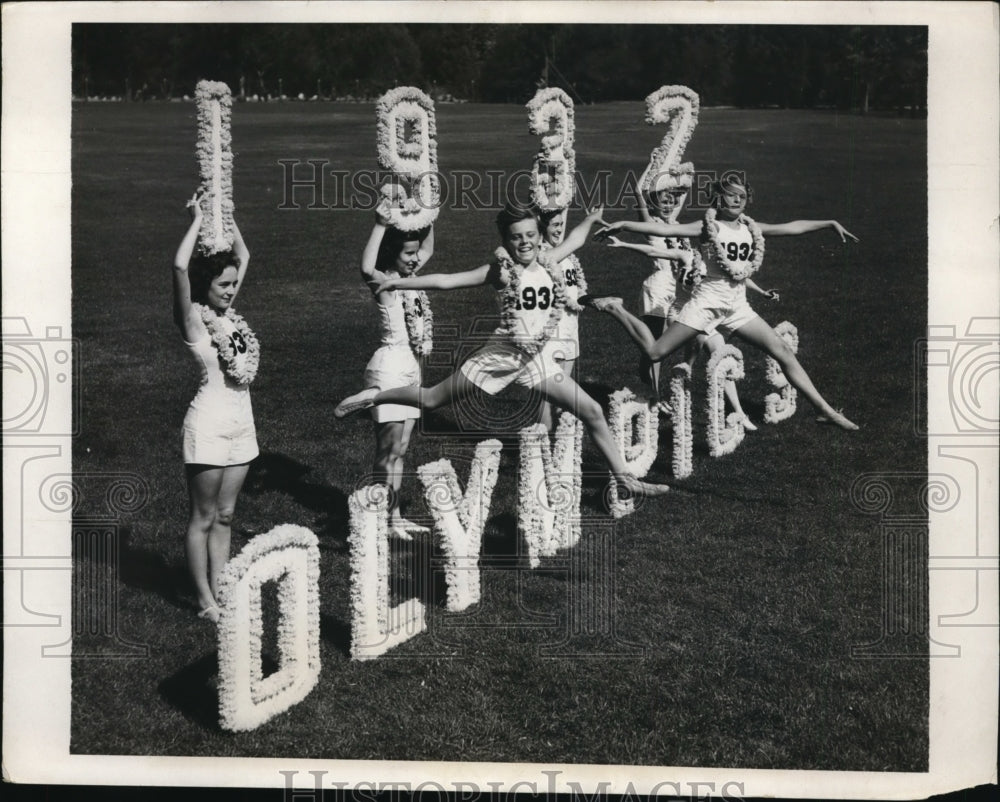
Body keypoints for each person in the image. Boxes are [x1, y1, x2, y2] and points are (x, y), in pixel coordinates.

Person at [335, 202, 671, 498]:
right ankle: (376, 396)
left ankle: (625, 479)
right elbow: (447, 280)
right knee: (432, 398)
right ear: (505, 241)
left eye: (529, 235)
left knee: (593, 410)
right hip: (501, 356)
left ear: (539, 236)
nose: (524, 242)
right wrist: (397, 282)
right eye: (516, 237)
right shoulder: (500, 271)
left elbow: (576, 240)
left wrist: (591, 219)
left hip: (536, 359)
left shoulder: (550, 260)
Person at [591, 174, 860, 431]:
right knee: (654, 354)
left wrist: (829, 222)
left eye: (742, 196)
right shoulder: (708, 227)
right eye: (731, 196)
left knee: (782, 350)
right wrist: (625, 224)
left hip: (737, 306)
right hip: (706, 304)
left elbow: (790, 227)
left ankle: (825, 410)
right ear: (719, 199)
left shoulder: (749, 227)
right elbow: (663, 227)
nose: (738, 200)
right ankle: (615, 307)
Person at [173, 190, 259, 623]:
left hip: (243, 426)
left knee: (226, 515)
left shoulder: (230, 315)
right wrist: (197, 219)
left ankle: (224, 588)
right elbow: (179, 268)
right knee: (203, 515)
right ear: (206, 287)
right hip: (207, 426)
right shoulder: (194, 320)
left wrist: (226, 213)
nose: (231, 290)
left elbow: (243, 253)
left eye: (232, 284)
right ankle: (206, 599)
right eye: (222, 285)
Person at [358, 207, 435, 539]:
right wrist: (379, 225)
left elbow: (428, 247)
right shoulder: (387, 283)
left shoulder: (412, 277)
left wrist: (427, 213)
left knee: (401, 451)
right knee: (387, 451)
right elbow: (365, 267)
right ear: (393, 253)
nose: (415, 258)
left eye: (415, 252)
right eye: (408, 253)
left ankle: (396, 517)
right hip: (388, 371)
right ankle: (380, 519)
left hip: (411, 372)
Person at [535, 208, 587, 431]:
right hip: (552, 333)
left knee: (563, 396)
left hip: (570, 332)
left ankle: (559, 448)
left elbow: (576, 294)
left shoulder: (568, 258)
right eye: (554, 225)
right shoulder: (543, 257)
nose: (559, 229)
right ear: (542, 227)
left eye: (561, 225)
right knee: (547, 395)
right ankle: (539, 446)